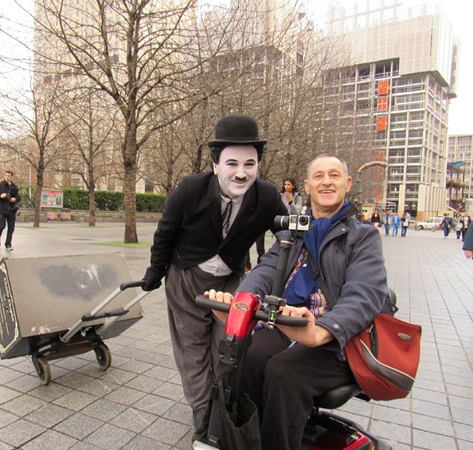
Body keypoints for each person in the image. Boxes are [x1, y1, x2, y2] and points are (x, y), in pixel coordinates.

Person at [206, 154, 392, 449]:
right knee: (245, 357)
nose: (326, 181)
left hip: (339, 338)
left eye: (334, 175)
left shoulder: (363, 237)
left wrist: (323, 329)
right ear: (307, 185)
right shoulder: (291, 233)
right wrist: (242, 303)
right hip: (286, 324)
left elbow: (365, 293)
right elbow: (265, 272)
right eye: (318, 176)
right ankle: (244, 441)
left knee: (284, 372)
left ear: (347, 183)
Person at [140, 115, 288, 441]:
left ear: (259, 166)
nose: (241, 172)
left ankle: (225, 405)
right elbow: (165, 234)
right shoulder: (189, 190)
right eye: (231, 162)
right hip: (187, 278)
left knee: (232, 346)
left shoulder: (266, 196)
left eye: (250, 163)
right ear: (215, 163)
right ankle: (205, 419)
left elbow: (289, 235)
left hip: (230, 281)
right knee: (193, 351)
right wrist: (155, 270)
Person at [0, 170, 20, 250]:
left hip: (11, 209)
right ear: (4, 176)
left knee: (11, 228)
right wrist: (0, 195)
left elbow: (18, 197)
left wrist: (15, 199)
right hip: (1, 209)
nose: (7, 177)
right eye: (6, 175)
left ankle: (8, 244)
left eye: (9, 176)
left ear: (11, 177)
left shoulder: (14, 187)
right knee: (1, 226)